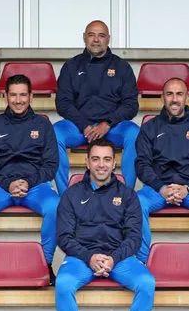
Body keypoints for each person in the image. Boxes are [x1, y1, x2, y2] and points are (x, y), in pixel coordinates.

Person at [55, 138, 154, 311]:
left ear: (115, 163)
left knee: (146, 283)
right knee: (63, 283)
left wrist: (113, 258)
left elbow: (134, 237)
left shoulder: (128, 195)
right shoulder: (71, 195)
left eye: (107, 159)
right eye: (96, 159)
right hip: (82, 258)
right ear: (87, 162)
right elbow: (64, 237)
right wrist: (89, 257)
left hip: (118, 258)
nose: (101, 165)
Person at [0, 74, 59, 283]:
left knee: (55, 206)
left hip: (36, 186)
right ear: (5, 97)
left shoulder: (43, 125)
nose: (18, 100)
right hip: (0, 186)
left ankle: (45, 263)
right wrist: (8, 183)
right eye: (13, 95)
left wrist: (27, 182)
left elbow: (50, 164)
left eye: (23, 95)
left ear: (31, 97)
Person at [135, 77, 189, 264]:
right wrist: (161, 187)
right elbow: (142, 164)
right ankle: (141, 261)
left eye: (179, 94)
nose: (174, 99)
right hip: (157, 189)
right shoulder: (149, 128)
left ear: (187, 97)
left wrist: (187, 188)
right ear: (162, 97)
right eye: (169, 94)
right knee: (137, 202)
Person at [54, 19, 139, 194]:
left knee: (134, 133)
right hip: (78, 128)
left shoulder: (122, 67)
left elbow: (131, 104)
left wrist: (107, 123)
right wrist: (84, 124)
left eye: (101, 36)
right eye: (91, 35)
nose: (96, 40)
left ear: (108, 39)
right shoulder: (71, 66)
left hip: (112, 128)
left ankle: (126, 194)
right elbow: (63, 103)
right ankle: (65, 195)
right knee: (54, 133)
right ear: (84, 38)